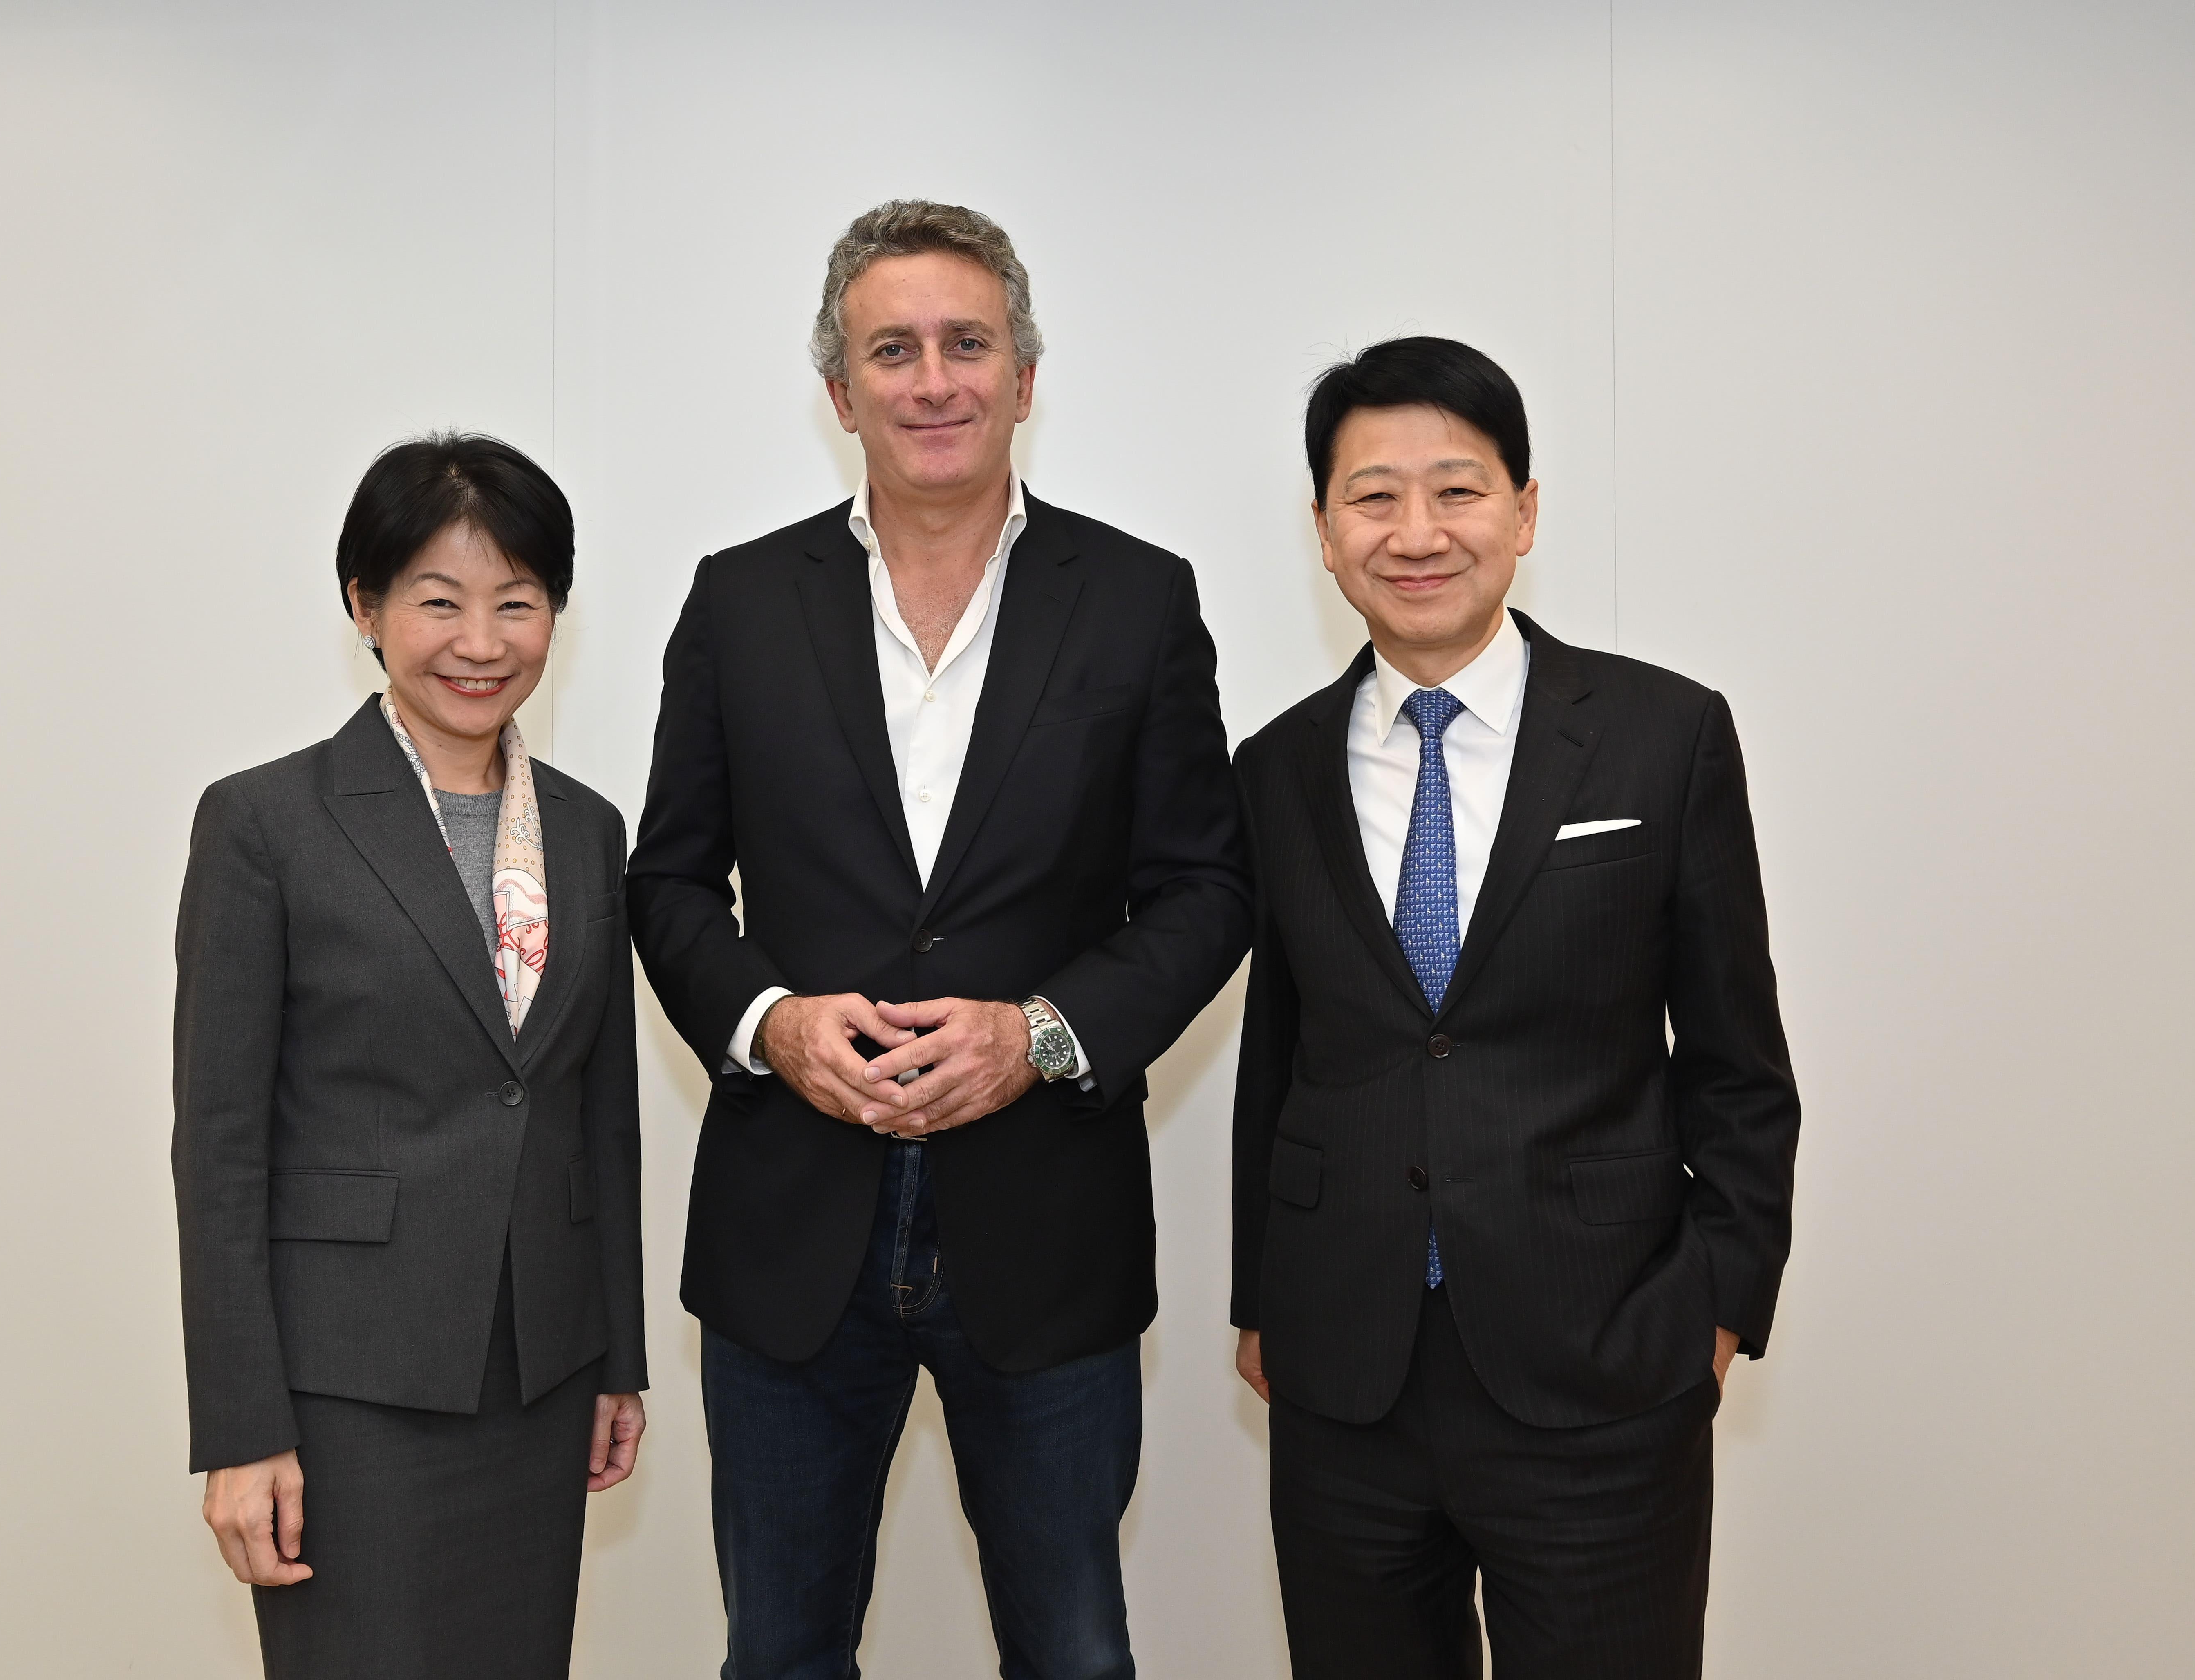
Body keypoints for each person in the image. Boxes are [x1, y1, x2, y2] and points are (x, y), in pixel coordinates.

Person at [627, 200, 1252, 1680]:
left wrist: (1040, 1037)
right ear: (839, 393)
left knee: (1074, 1656)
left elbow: (1207, 890)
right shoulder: (737, 601)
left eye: (967, 344)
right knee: (779, 1655)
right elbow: (667, 884)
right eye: (891, 351)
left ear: (1024, 378)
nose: (933, 381)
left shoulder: (1140, 600)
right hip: (792, 1229)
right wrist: (772, 1024)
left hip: (1046, 1230)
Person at [1229, 337, 1800, 1678]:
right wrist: (1263, 1296)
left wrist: (1715, 1308)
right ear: (1324, 531)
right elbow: (1281, 1056)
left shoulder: (1665, 734)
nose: (1416, 532)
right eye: (1373, 497)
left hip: (1605, 1363)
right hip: (1347, 1378)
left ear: (1525, 511)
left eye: (1458, 490)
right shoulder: (1274, 768)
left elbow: (1738, 1059)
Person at [172, 433, 647, 1680]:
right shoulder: (265, 822)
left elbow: (599, 1116)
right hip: (347, 1389)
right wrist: (241, 1429)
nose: (480, 642)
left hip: (543, 1375)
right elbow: (218, 1148)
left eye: (517, 602)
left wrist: (618, 1358)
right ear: (366, 607)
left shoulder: (590, 832)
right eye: (439, 602)